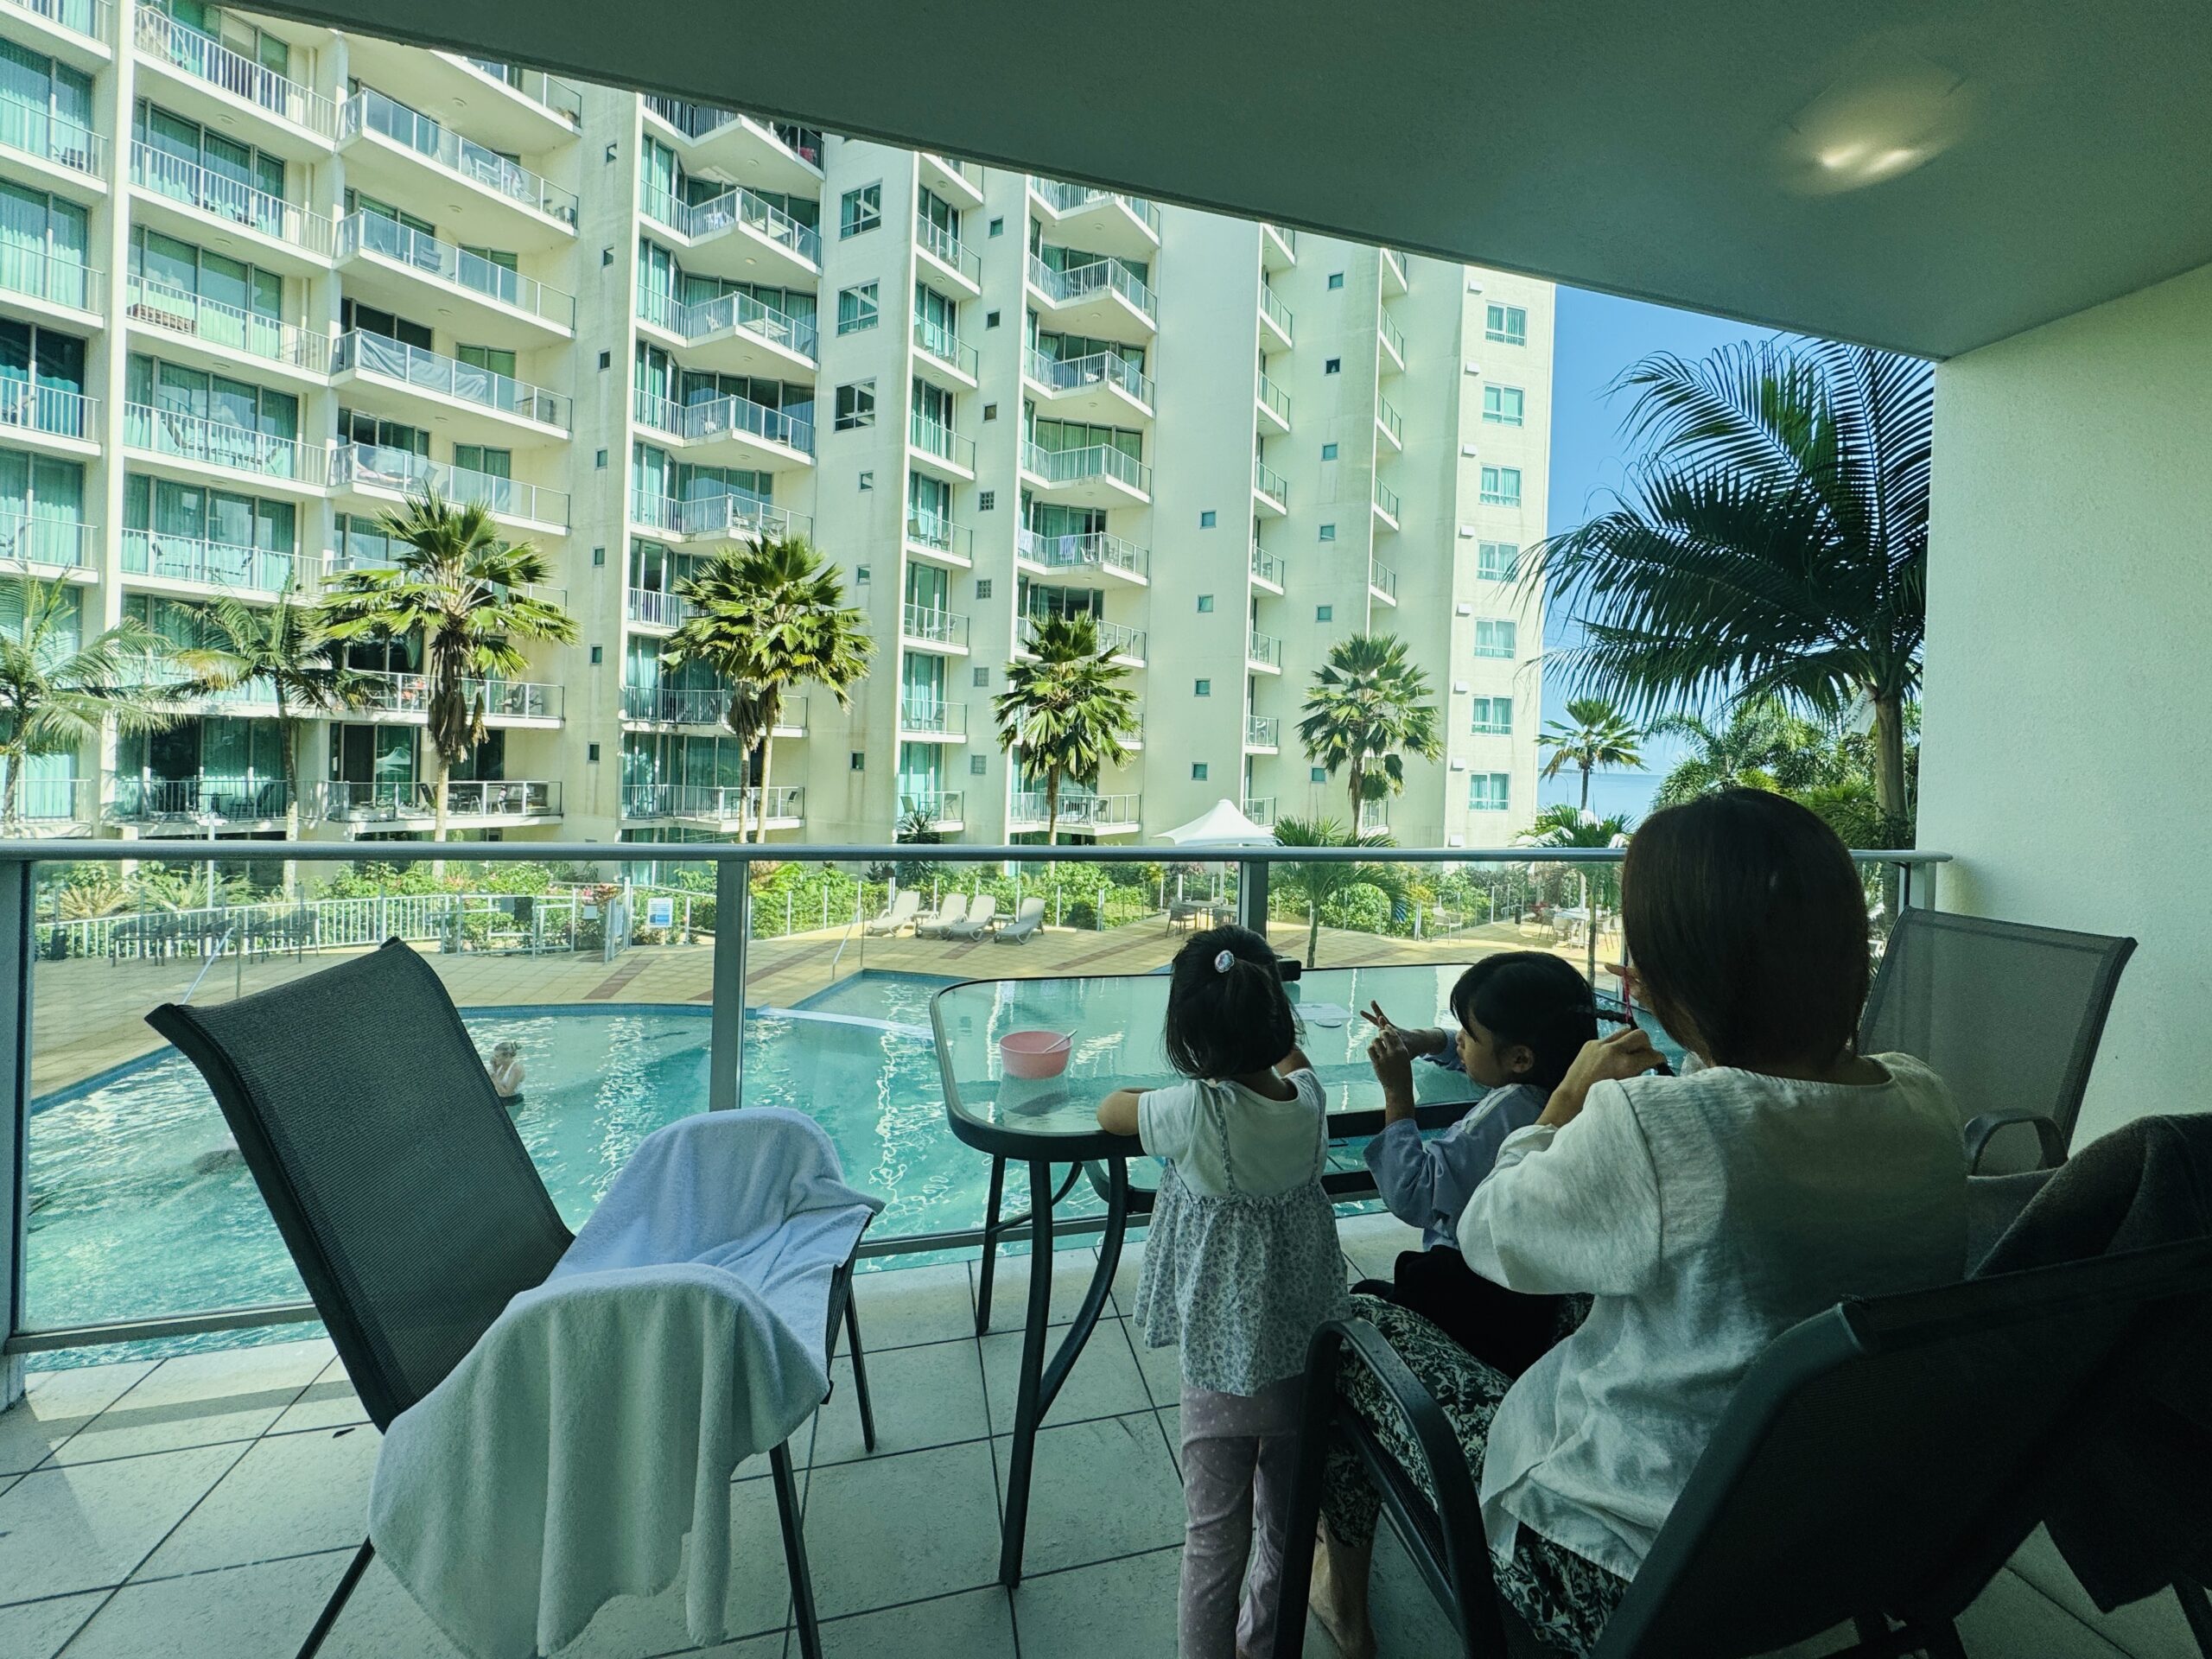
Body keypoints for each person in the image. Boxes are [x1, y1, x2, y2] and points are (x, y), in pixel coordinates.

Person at [1309, 790, 1968, 1658]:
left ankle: (1338, 1594)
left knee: (1353, 1330)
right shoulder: (1924, 1099)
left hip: (1617, 1564)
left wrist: (1564, 1101)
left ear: (1657, 976)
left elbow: (1487, 1229)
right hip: (1834, 1534)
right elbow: (1767, 1095)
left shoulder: (1664, 1129)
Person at [1097, 924, 1351, 1659]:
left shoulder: (1191, 1112)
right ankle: (1264, 1645)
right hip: (1301, 1357)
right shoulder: (1309, 1101)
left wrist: (1171, 1085)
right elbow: (1294, 1066)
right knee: (1283, 1522)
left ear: (1187, 1039)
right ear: (1279, 1018)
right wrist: (1274, 1029)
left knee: (1213, 1537)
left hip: (1219, 1371)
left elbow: (1111, 1110)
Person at [1357, 952, 1599, 1370]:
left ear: (1520, 1060)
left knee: (1363, 1298)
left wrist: (1398, 1091)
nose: (1460, 1043)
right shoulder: (1572, 1086)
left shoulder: (1510, 1110)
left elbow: (1412, 1192)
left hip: (1472, 1299)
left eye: (1467, 1035)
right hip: (1530, 1291)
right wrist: (1428, 1039)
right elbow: (1490, 1055)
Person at [487, 1040, 525, 1108]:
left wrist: (493, 1077)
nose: (494, 1058)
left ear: (507, 1056)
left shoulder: (516, 1069)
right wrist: (494, 1068)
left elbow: (506, 1093)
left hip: (513, 1102)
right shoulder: (499, 1064)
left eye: (497, 1056)